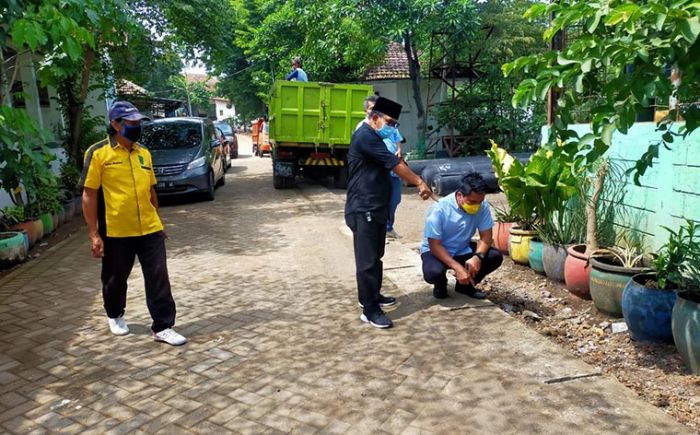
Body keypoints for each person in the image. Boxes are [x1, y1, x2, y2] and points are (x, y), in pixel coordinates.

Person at [80, 101, 186, 346]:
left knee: (158, 275)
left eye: (139, 123)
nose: (137, 127)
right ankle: (115, 313)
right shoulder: (98, 153)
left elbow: (150, 191)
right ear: (115, 124)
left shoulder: (143, 153)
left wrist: (158, 222)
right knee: (116, 277)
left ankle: (163, 326)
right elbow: (89, 194)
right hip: (117, 229)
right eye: (131, 123)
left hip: (149, 228)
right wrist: (94, 233)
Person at [345, 96, 434, 329]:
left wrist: (416, 178)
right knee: (366, 262)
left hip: (376, 207)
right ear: (374, 117)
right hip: (363, 207)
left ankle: (374, 295)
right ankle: (369, 309)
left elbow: (398, 161)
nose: (393, 127)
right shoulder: (365, 136)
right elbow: (394, 165)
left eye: (395, 123)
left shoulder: (375, 136)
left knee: (376, 257)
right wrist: (419, 182)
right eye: (390, 122)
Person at [420, 172, 503, 300]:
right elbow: (434, 245)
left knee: (494, 256)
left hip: (462, 247)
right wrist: (458, 267)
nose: (476, 206)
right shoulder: (439, 209)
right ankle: (440, 285)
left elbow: (486, 237)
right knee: (434, 273)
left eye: (480, 202)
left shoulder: (482, 206)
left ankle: (465, 286)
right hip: (436, 250)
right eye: (472, 202)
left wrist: (477, 257)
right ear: (459, 195)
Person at [356, 95, 404, 239]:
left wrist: (399, 151)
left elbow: (397, 139)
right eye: (371, 109)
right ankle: (377, 231)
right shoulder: (363, 129)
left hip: (393, 169)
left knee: (394, 199)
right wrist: (419, 182)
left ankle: (388, 228)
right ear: (366, 112)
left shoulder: (389, 125)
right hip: (377, 171)